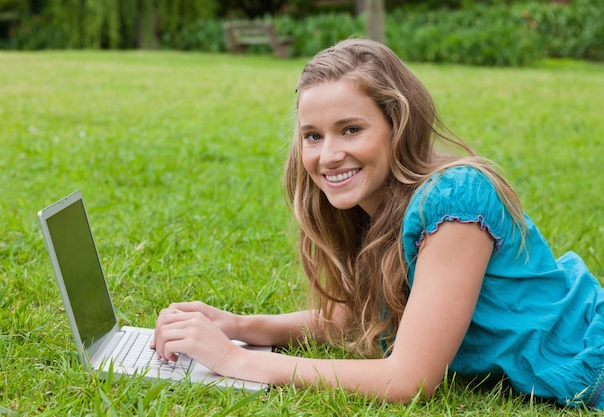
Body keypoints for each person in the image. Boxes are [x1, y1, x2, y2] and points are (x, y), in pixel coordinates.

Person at [151, 38, 604, 408]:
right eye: (313, 135)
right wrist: (242, 326)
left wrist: (237, 361)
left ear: (398, 125)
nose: (328, 155)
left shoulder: (455, 199)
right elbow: (374, 316)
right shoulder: (375, 205)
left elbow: (407, 379)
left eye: (351, 129)